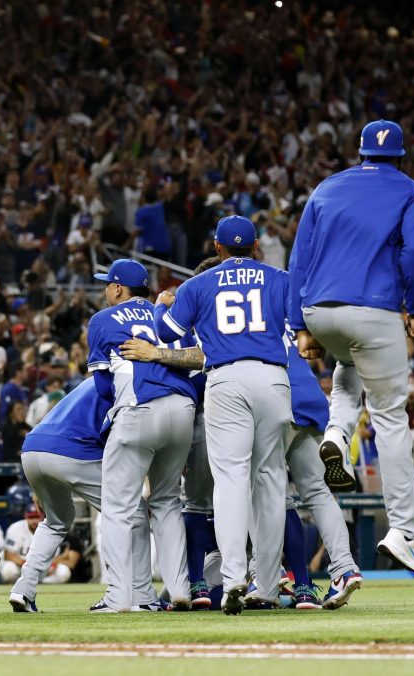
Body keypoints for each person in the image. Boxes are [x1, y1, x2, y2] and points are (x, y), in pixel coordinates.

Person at [288, 120, 414, 577]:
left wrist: (299, 325)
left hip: (319, 310)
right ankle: (405, 530)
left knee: (348, 368)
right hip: (374, 310)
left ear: (363, 151)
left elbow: (299, 259)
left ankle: (336, 435)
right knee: (389, 416)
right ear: (401, 155)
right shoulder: (412, 192)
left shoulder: (327, 187)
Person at [153, 216, 293, 615]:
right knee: (270, 482)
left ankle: (232, 579)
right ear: (255, 246)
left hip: (226, 378)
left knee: (231, 479)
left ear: (217, 247)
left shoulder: (197, 284)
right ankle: (267, 585)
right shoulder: (279, 278)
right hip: (273, 377)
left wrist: (163, 305)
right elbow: (300, 323)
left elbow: (166, 333)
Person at [87, 258, 196, 613]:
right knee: (167, 501)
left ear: (119, 288)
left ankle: (119, 596)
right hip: (183, 410)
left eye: (108, 283)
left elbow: (102, 386)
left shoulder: (102, 319)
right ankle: (179, 590)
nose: (106, 289)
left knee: (118, 508)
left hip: (139, 409)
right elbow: (196, 361)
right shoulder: (170, 316)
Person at [8, 379, 162, 613]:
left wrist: (38, 485)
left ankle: (23, 589)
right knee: (134, 510)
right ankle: (142, 596)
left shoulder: (92, 380)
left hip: (33, 448)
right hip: (71, 448)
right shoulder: (132, 381)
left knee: (56, 521)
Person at [0, 507, 43, 583]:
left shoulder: (48, 530)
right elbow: (8, 555)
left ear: (42, 516)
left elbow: (54, 556)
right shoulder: (15, 528)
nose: (34, 521)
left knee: (62, 572)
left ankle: (41, 586)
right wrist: (27, 565)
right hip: (18, 565)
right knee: (8, 570)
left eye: (37, 517)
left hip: (39, 568)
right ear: (26, 516)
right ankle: (11, 589)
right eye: (31, 517)